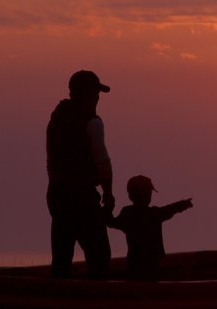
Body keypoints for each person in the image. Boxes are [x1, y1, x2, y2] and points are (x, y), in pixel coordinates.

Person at [46, 70, 115, 279]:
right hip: (82, 197)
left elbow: (52, 159)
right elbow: (102, 161)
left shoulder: (56, 119)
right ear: (87, 94)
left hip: (57, 195)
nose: (98, 98)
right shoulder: (92, 122)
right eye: (96, 93)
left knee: (61, 257)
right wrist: (108, 194)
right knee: (100, 255)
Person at [107, 175, 193, 281]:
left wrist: (107, 208)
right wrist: (183, 204)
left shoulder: (128, 214)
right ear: (147, 195)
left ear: (130, 196)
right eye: (149, 193)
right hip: (151, 265)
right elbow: (170, 209)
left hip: (133, 264)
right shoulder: (154, 214)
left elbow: (112, 223)